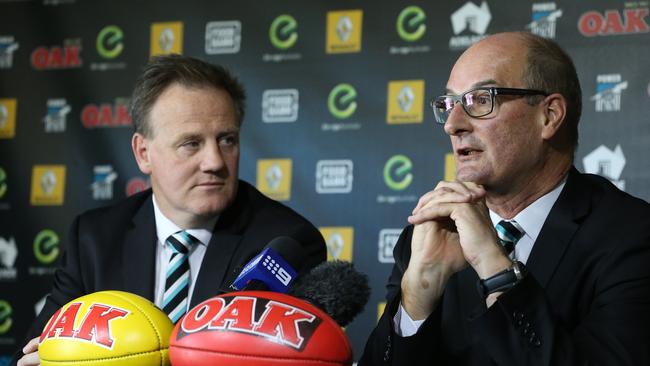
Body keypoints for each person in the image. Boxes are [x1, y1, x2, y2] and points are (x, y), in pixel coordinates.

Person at [14, 54, 326, 365]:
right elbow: (35, 351)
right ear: (143, 153)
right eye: (191, 143)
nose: (215, 162)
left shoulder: (287, 244)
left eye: (227, 140)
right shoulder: (94, 239)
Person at [360, 31, 650, 365]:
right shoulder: (428, 234)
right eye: (449, 104)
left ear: (549, 115)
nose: (452, 125)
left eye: (481, 100)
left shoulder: (632, 235)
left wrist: (495, 268)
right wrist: (417, 299)